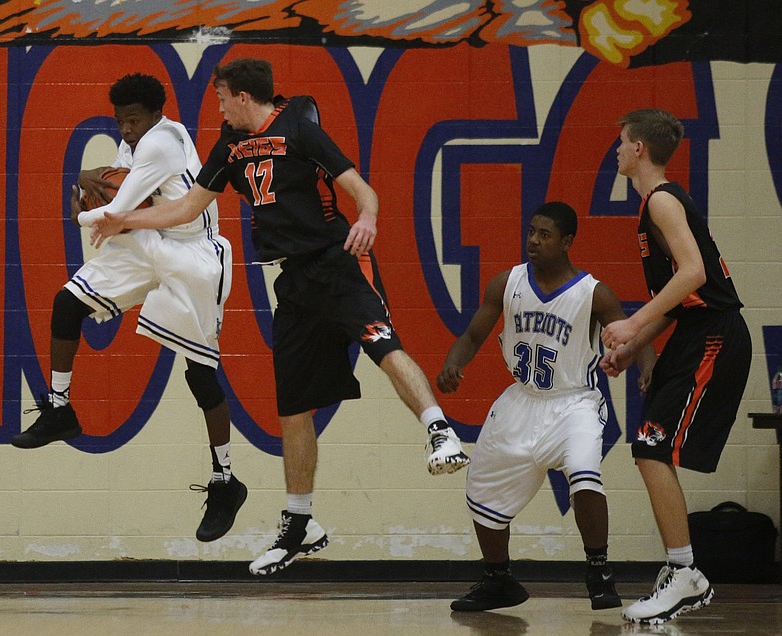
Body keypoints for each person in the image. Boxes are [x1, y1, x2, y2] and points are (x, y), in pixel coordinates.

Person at [89, 58, 470, 575]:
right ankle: (299, 525)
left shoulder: (302, 130)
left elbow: (364, 190)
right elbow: (187, 207)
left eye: (222, 96)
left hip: (337, 262)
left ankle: (439, 431)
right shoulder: (230, 145)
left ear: (243, 96)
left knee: (383, 344)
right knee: (293, 405)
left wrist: (369, 220)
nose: (218, 106)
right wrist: (124, 219)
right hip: (292, 280)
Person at [11, 73, 247, 544]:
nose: (126, 130)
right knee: (66, 303)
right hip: (148, 241)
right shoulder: (136, 142)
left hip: (193, 255)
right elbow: (122, 211)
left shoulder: (161, 143)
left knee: (199, 376)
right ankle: (60, 409)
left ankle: (226, 480)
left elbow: (110, 212)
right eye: (120, 121)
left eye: (133, 120)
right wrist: (99, 194)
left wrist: (82, 197)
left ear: (155, 114)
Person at [438, 201, 655, 613]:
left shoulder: (593, 293)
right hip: (522, 399)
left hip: (574, 402)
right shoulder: (507, 283)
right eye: (531, 232)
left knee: (585, 475)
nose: (533, 241)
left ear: (567, 242)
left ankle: (599, 571)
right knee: (481, 489)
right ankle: (498, 579)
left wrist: (647, 371)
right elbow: (472, 335)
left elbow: (634, 337)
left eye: (545, 235)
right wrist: (454, 362)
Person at [600, 109, 752, 625]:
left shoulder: (662, 200)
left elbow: (694, 274)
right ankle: (681, 570)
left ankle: (685, 572)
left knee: (650, 446)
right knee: (648, 448)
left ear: (639, 147)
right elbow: (675, 300)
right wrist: (632, 344)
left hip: (713, 334)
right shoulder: (658, 203)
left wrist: (631, 323)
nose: (616, 150)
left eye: (621, 142)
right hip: (695, 331)